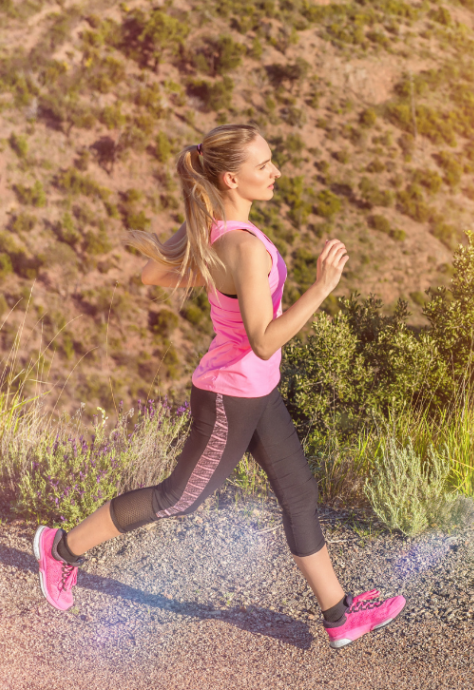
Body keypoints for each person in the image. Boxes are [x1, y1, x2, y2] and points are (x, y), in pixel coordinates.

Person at [31, 123, 405, 649]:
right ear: (231, 178)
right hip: (231, 395)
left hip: (258, 391)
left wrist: (211, 271)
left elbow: (154, 275)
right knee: (177, 498)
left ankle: (340, 616)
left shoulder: (222, 234)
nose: (276, 172)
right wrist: (321, 288)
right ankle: (59, 549)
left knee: (299, 493)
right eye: (263, 165)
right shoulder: (242, 247)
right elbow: (263, 340)